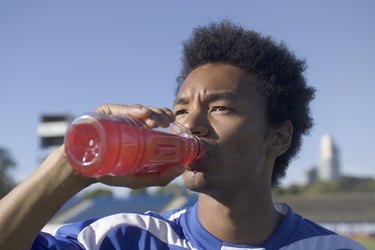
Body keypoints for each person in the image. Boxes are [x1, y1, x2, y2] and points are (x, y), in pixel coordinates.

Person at [0, 20, 364, 250]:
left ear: (279, 137)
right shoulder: (122, 238)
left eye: (220, 108)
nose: (191, 124)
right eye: (181, 110)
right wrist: (73, 166)